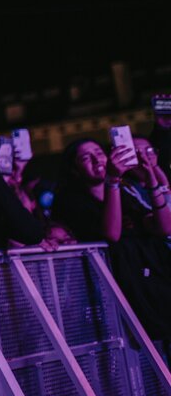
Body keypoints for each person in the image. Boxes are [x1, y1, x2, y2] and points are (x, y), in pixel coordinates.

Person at [52, 138, 171, 340]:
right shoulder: (70, 200)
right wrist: (112, 181)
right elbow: (112, 234)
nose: (96, 160)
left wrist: (152, 181)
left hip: (156, 276)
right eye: (85, 158)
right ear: (74, 170)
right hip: (123, 288)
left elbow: (164, 227)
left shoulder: (127, 191)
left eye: (99, 153)